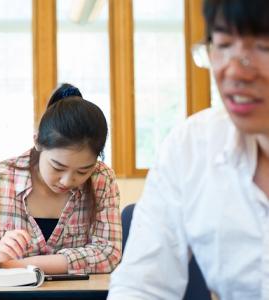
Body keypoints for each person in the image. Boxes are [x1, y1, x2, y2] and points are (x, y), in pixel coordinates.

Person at [108, 0, 269, 299]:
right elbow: (142, 285)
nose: (234, 71)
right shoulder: (192, 147)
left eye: (262, 46)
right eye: (222, 43)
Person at [0, 83, 122, 275]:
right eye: (58, 167)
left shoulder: (101, 179)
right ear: (37, 142)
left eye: (83, 171)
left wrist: (18, 266)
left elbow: (109, 254)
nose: (67, 181)